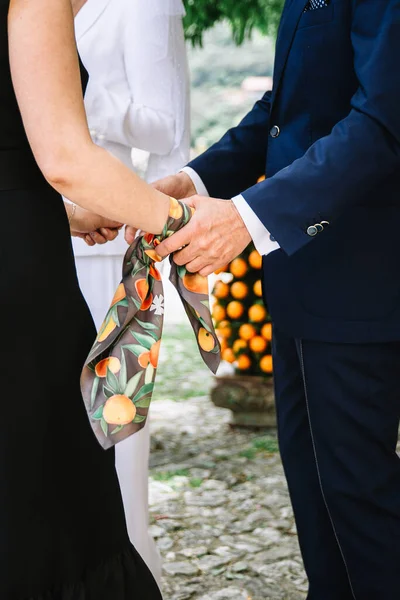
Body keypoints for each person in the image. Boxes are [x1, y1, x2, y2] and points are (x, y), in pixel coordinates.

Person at [151, 1, 400, 598]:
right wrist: (200, 180)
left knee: (360, 506)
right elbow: (288, 108)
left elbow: (384, 119)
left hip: (360, 276)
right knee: (319, 502)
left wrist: (248, 217)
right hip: (303, 280)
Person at [2, 0, 179, 596]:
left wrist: (58, 215)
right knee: (53, 510)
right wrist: (178, 219)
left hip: (31, 234)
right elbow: (65, 158)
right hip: (19, 294)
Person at [71, 0, 190, 582]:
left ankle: (128, 562)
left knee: (110, 416)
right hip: (35, 228)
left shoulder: (144, 4)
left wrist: (72, 103)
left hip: (100, 237)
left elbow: (166, 124)